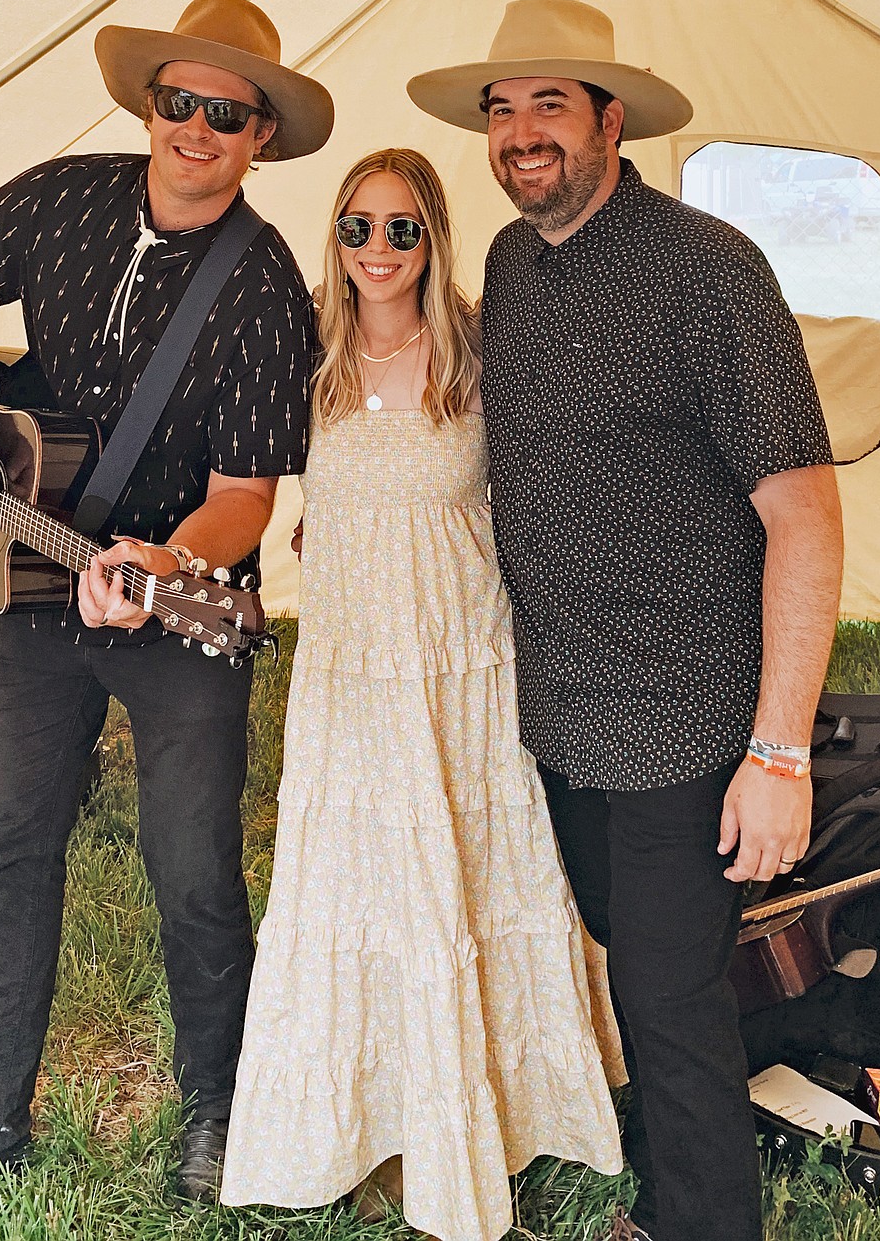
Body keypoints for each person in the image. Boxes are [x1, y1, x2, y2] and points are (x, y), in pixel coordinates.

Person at [407, 0, 844, 1241]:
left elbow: (806, 518)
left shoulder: (711, 269)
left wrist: (780, 750)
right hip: (563, 714)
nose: (521, 132)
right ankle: (666, 1198)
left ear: (612, 120)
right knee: (640, 974)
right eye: (502, 109)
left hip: (689, 715)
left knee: (668, 1004)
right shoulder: (506, 264)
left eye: (551, 103)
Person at [0, 0, 333, 1203]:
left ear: (259, 138)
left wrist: (166, 568)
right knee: (10, 848)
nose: (197, 127)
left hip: (180, 606)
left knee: (192, 861)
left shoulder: (266, 287)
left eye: (227, 113)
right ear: (150, 105)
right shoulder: (61, 196)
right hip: (30, 590)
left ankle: (221, 1107)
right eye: (178, 100)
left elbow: (246, 494)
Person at [220, 148, 622, 1241]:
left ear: (434, 236)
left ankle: (490, 1112)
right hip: (352, 666)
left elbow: (558, 469)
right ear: (334, 236)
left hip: (461, 660)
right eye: (359, 227)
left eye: (403, 229)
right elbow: (252, 480)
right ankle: (361, 1116)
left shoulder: (486, 341)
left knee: (467, 879)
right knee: (356, 890)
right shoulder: (303, 345)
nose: (380, 251)